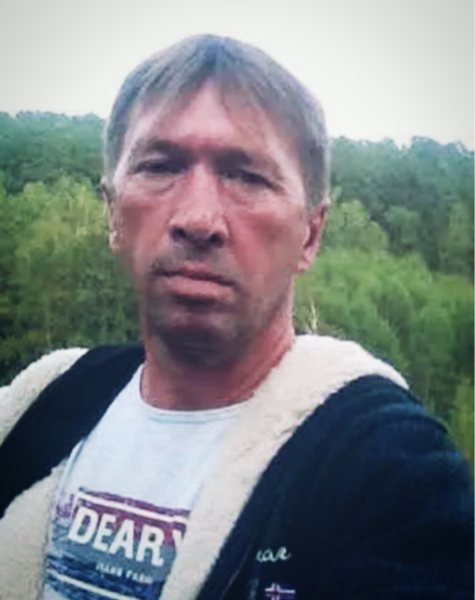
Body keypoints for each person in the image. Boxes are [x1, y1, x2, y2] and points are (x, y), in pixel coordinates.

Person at [0, 34, 473, 600]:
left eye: (246, 176)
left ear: (311, 234)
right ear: (112, 213)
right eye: (160, 166)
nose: (198, 219)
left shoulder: (388, 471)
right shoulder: (41, 407)